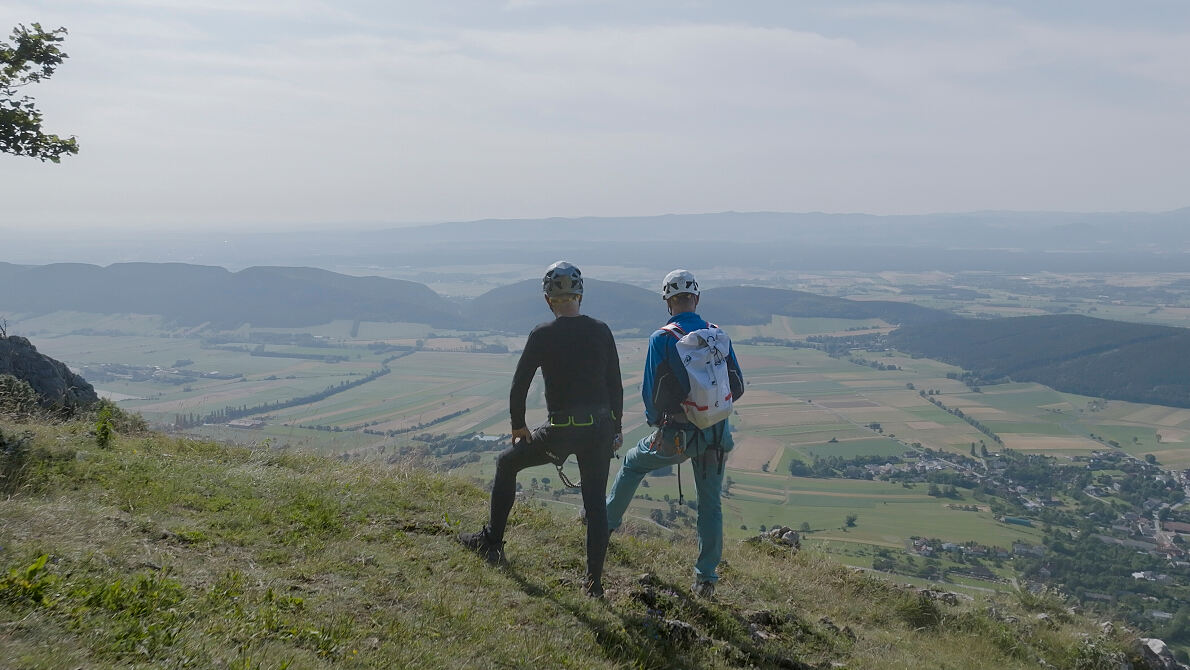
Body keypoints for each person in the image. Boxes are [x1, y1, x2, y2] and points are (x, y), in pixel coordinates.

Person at [459, 261, 623, 598]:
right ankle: (593, 585)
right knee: (595, 506)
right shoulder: (602, 331)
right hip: (599, 430)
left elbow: (520, 384)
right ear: (580, 294)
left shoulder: (542, 335)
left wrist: (518, 424)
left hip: (560, 431)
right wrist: (617, 428)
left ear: (548, 299)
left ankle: (492, 543)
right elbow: (615, 386)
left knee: (507, 464)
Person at [605, 268, 744, 599]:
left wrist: (658, 425)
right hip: (715, 434)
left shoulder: (662, 338)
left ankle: (604, 525)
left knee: (633, 464)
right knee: (710, 503)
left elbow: (651, 391)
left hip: (677, 435)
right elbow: (735, 385)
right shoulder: (717, 334)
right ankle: (706, 578)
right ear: (696, 299)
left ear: (669, 302)